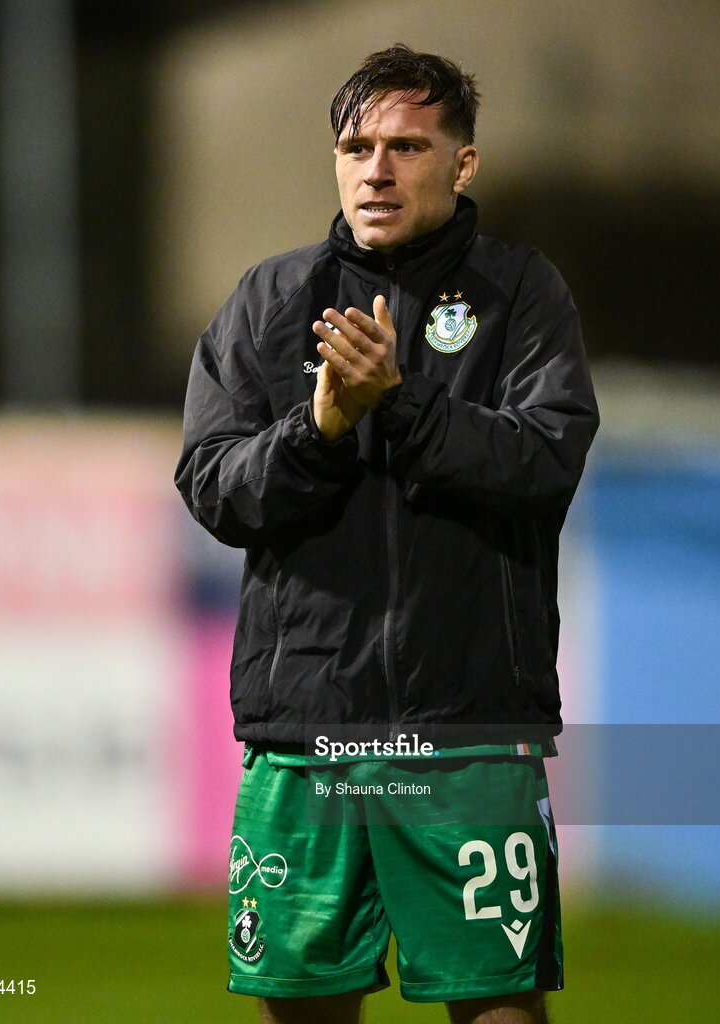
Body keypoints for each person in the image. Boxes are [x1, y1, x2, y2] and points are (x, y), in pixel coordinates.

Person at [176, 43, 599, 1024]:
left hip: (465, 729)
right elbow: (214, 489)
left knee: (496, 1006)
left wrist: (398, 405)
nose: (376, 170)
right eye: (355, 147)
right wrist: (321, 428)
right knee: (301, 1004)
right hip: (305, 729)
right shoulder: (267, 301)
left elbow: (542, 461)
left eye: (407, 146)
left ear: (462, 162)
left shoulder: (519, 294)